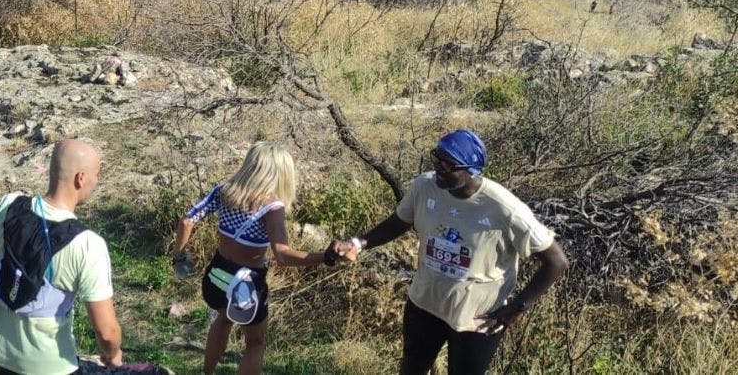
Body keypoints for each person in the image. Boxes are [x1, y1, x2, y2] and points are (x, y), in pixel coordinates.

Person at [333, 129, 568, 375]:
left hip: (477, 318)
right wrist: (358, 243)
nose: (439, 168)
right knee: (412, 369)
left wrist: (518, 307)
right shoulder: (425, 187)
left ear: (471, 171)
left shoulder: (504, 208)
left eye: (448, 164)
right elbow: (398, 222)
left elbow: (556, 262)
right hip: (425, 302)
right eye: (437, 158)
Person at [172, 141, 356, 375]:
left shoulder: (224, 190)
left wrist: (179, 256)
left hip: (216, 277)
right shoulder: (272, 207)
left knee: (224, 318)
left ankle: (206, 372)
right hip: (246, 285)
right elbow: (282, 254)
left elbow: (187, 220)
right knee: (255, 343)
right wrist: (325, 257)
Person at [0, 139, 123, 374]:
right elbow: (106, 332)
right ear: (80, 178)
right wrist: (112, 354)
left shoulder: (7, 205)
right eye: (96, 175)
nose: (97, 181)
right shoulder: (88, 245)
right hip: (50, 365)